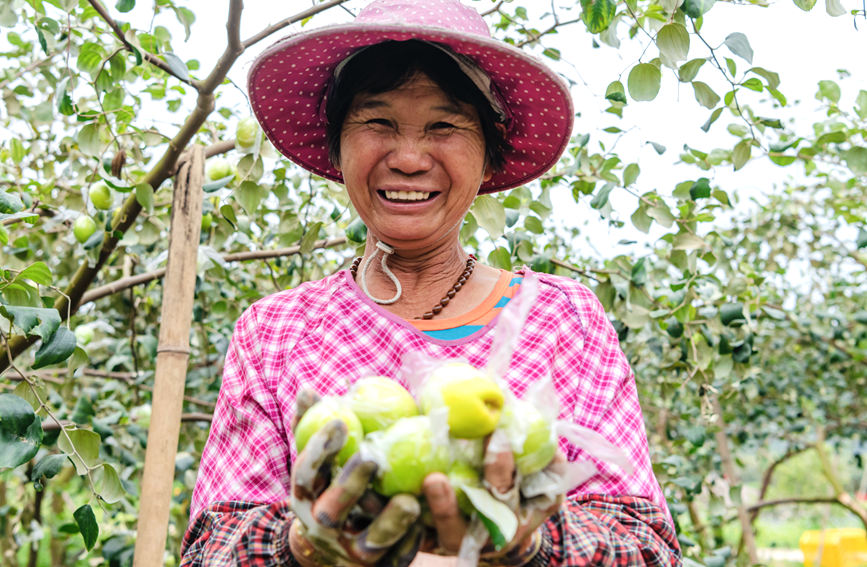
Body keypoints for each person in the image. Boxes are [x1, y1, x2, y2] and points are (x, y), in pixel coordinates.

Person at [181, 0, 682, 565]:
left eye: (445, 126)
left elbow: (646, 545)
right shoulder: (277, 331)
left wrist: (532, 543)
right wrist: (297, 547)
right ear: (336, 148)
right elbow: (211, 548)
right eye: (377, 122)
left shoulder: (563, 320)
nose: (411, 158)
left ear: (490, 157)